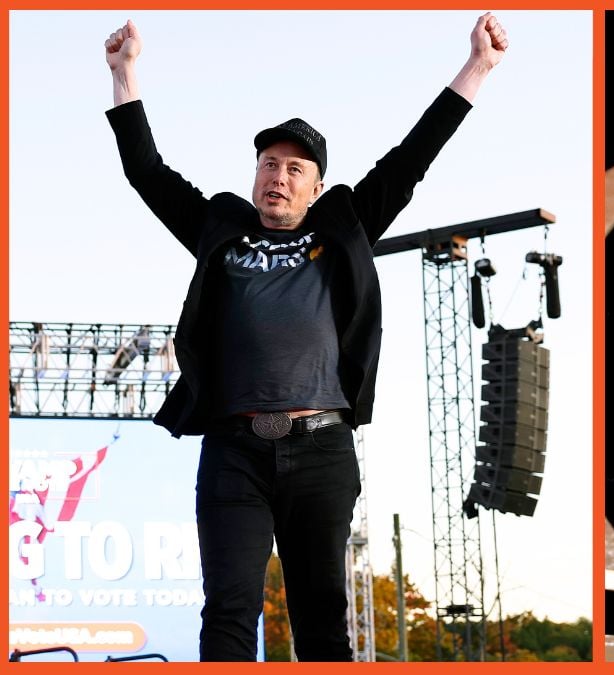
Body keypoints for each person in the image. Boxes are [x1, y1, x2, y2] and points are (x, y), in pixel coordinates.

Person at [103, 14, 508, 661]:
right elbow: (148, 171)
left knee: (322, 619)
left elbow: (411, 159)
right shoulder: (222, 227)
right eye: (268, 163)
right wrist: (124, 73)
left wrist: (478, 66)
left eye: (295, 168)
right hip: (235, 451)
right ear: (254, 172)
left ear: (316, 186)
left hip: (321, 452)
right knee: (230, 609)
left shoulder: (340, 227)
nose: (278, 176)